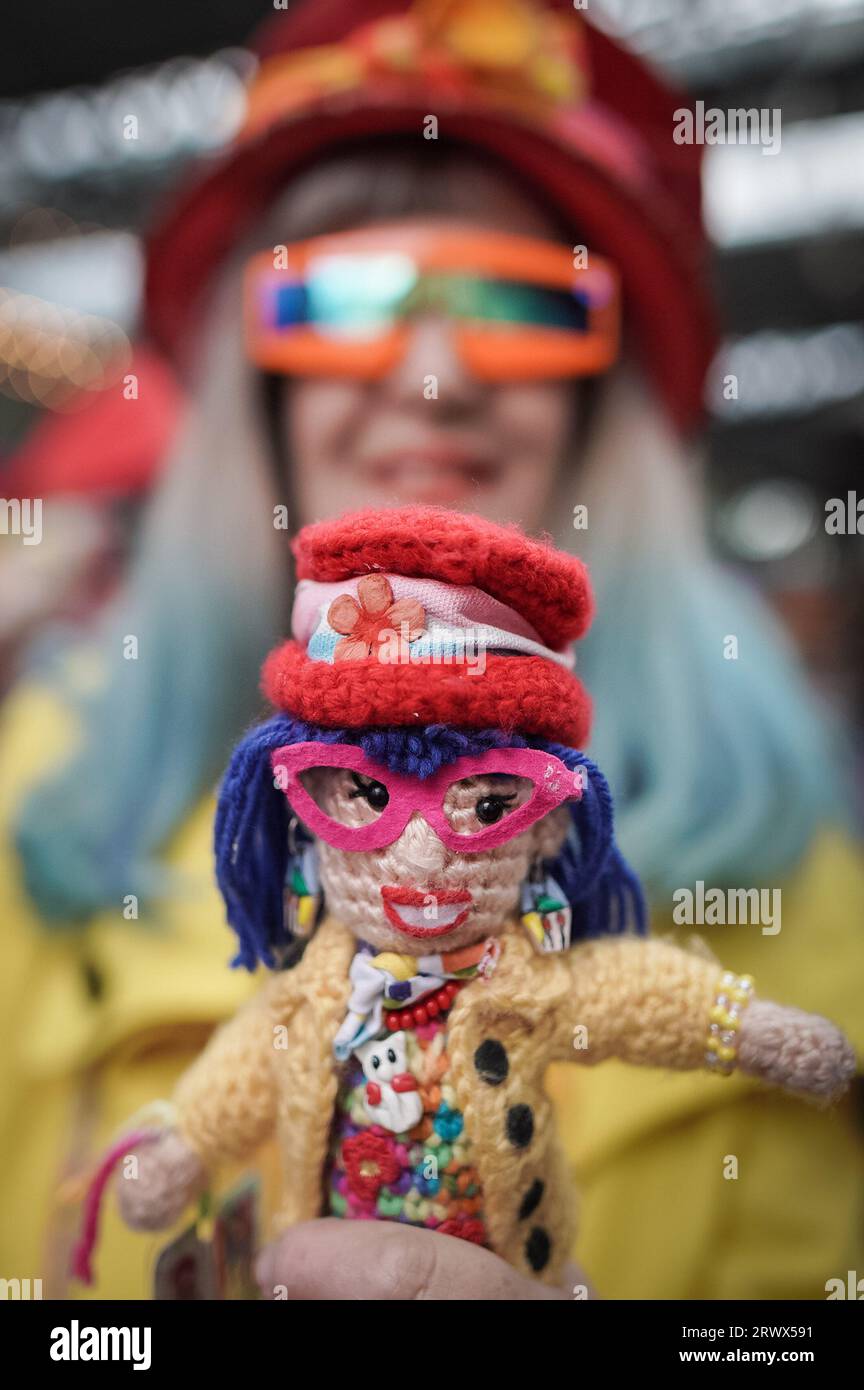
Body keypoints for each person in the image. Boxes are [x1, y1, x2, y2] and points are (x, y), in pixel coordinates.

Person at [1, 0, 861, 1300]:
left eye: (523, 304)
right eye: (344, 299)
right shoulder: (50, 778)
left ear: (597, 396)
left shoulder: (797, 857)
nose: (435, 377)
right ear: (260, 384)